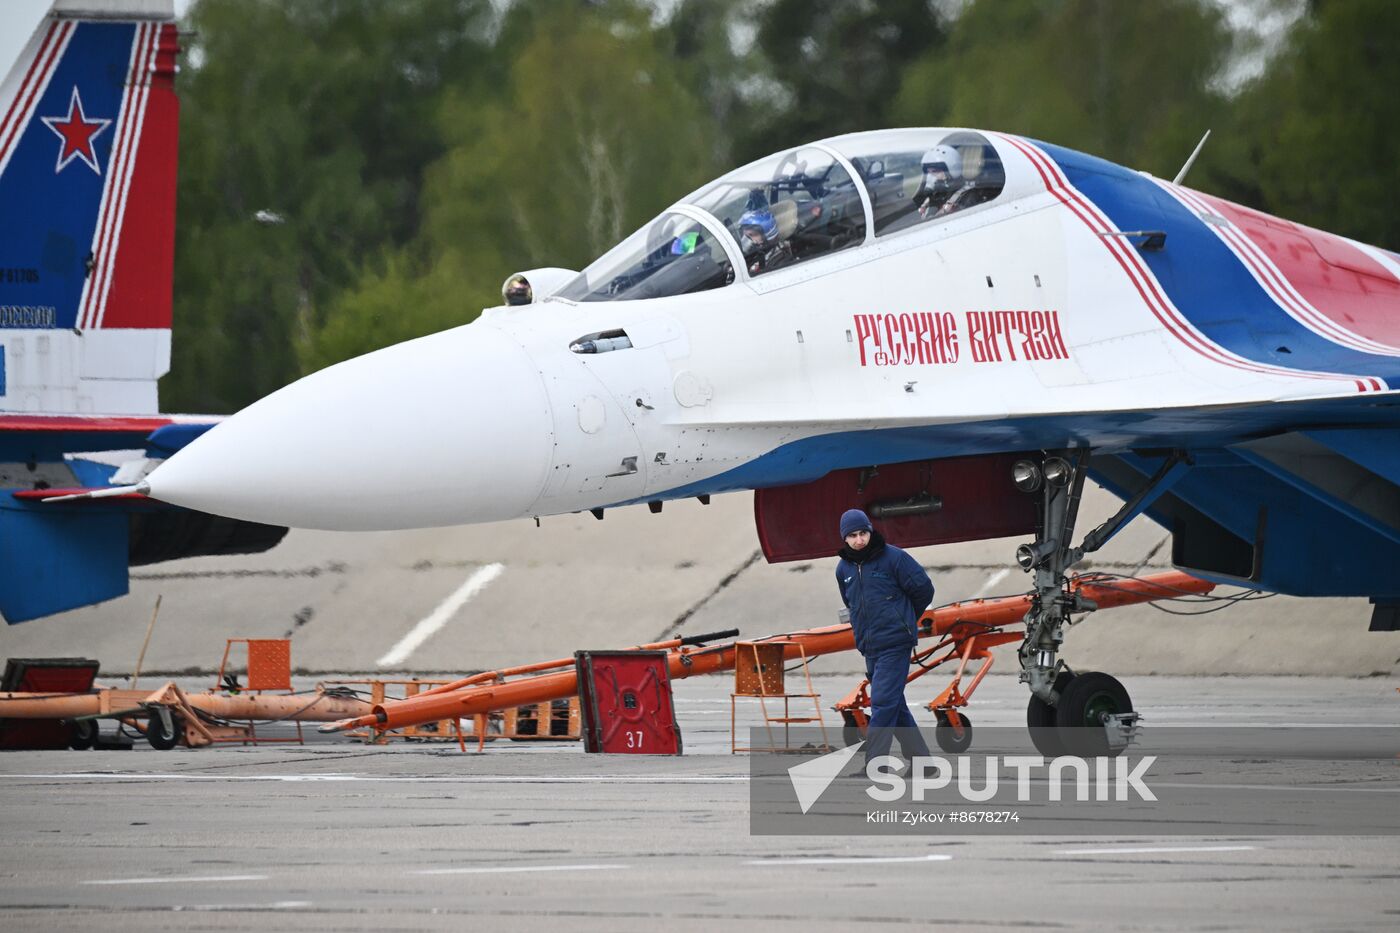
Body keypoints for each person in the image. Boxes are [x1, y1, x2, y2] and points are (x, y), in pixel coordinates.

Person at [835, 508, 933, 767]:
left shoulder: (894, 558)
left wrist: (904, 618)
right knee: (894, 705)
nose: (859, 540)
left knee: (882, 702)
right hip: (870, 646)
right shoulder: (843, 567)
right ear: (844, 538)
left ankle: (875, 764)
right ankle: (924, 764)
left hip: (895, 642)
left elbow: (924, 589)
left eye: (863, 533)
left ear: (870, 531)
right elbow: (852, 602)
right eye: (853, 535)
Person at [912, 144, 976, 220]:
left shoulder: (968, 197)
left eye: (935, 171)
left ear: (952, 169)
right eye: (928, 172)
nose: (931, 176)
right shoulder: (935, 196)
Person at [737, 207, 794, 276]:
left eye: (752, 235)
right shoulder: (757, 253)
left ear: (768, 233)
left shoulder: (780, 261)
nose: (747, 239)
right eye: (746, 236)